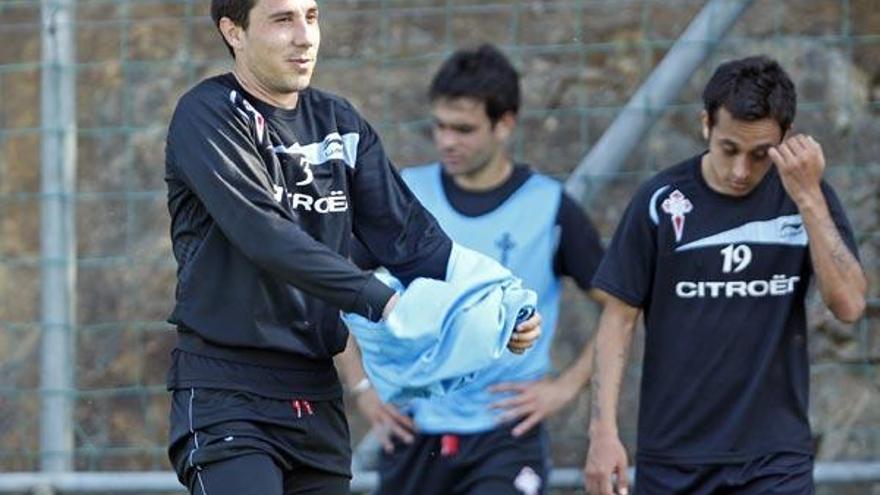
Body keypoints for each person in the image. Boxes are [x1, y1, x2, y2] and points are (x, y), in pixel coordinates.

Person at [162, 2, 542, 494]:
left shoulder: (339, 121)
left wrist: (501, 299)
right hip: (227, 392)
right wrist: (382, 301)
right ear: (233, 32)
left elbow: (410, 239)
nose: (305, 37)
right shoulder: (208, 113)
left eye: (312, 16)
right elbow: (264, 233)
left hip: (315, 397)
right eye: (283, 20)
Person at [584, 55, 867, 495]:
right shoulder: (660, 202)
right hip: (674, 456)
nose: (741, 171)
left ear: (785, 140)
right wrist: (603, 433)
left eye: (759, 155)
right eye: (729, 149)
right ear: (706, 126)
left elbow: (849, 304)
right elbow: (617, 319)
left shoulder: (807, 197)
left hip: (775, 459)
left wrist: (809, 197)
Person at [337, 43, 606, 495]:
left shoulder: (550, 207)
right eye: (440, 126)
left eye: (463, 129)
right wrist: (361, 385)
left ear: (505, 124)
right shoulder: (406, 196)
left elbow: (621, 306)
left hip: (505, 436)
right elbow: (338, 286)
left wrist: (566, 388)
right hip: (414, 428)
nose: (446, 141)